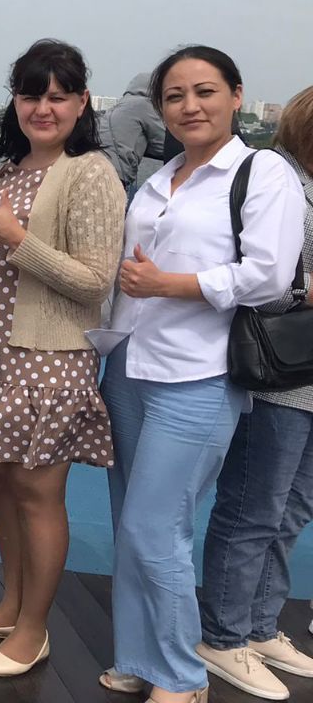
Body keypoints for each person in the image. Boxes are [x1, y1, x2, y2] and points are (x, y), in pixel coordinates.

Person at [97, 46, 303, 703]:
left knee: (156, 526)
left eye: (205, 91)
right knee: (129, 520)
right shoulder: (162, 178)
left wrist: (171, 284)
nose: (189, 105)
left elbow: (269, 276)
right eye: (175, 95)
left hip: (199, 374)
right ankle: (140, 654)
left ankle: (182, 677)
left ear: (236, 95)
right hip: (129, 365)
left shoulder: (261, 171)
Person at [0, 40, 125, 677]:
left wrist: (20, 239)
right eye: (30, 95)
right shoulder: (5, 171)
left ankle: (35, 627)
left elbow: (96, 281)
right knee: (2, 481)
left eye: (57, 96)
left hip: (48, 358)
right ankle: (10, 604)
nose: (42, 108)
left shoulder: (89, 172)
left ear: (81, 102)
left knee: (39, 491)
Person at [197, 86, 313, 701]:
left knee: (292, 509)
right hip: (278, 376)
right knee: (252, 508)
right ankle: (223, 634)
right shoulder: (277, 179)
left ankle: (260, 625)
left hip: (306, 377)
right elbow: (258, 280)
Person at [99, 72, 168, 191]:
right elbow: (164, 143)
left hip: (99, 167)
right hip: (114, 175)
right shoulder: (144, 105)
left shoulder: (123, 104)